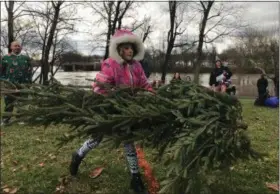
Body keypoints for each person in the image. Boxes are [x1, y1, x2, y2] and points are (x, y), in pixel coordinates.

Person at [69, 29, 153, 193]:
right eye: (127, 48)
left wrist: (152, 94)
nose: (130, 51)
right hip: (109, 110)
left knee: (128, 140)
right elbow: (100, 88)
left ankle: (135, 178)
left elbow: (144, 84)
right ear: (120, 49)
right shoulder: (110, 64)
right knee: (97, 139)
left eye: (132, 48)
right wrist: (114, 100)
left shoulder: (136, 66)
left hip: (128, 111)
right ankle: (78, 155)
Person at [0, 41, 32, 125]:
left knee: (22, 102)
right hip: (10, 85)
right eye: (15, 46)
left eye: (19, 46)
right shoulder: (5, 58)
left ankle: (21, 119)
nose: (17, 47)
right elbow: (1, 72)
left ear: (21, 47)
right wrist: (4, 82)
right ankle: (6, 120)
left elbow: (29, 71)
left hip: (23, 84)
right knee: (9, 102)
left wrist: (29, 83)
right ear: (11, 47)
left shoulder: (26, 58)